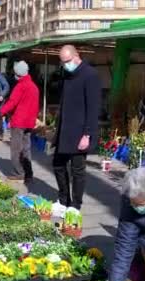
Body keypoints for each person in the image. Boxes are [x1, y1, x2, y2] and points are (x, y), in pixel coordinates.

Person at [52, 45, 101, 211]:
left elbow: (93, 108)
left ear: (76, 56)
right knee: (58, 164)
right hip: (64, 129)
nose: (65, 65)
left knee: (77, 170)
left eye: (67, 61)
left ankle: (76, 204)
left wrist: (87, 134)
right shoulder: (67, 74)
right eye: (62, 62)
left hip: (80, 131)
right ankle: (63, 198)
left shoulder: (90, 75)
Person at [0, 61, 39, 183]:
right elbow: (36, 106)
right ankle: (29, 173)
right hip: (29, 123)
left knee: (16, 149)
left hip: (19, 122)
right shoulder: (33, 87)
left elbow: (12, 102)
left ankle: (19, 172)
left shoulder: (20, 86)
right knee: (26, 149)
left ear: (18, 73)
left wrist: (0, 112)